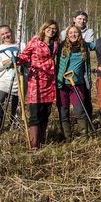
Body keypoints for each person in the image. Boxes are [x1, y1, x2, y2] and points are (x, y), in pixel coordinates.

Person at [16, 20, 60, 149]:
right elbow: (24, 56)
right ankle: (34, 144)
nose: (51, 30)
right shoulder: (35, 42)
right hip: (36, 81)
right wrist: (17, 60)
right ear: (44, 28)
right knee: (35, 113)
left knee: (45, 112)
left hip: (50, 81)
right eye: (49, 28)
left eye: (54, 29)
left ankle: (42, 140)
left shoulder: (55, 44)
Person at [55, 25, 96, 140]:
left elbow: (99, 46)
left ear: (80, 34)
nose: (73, 35)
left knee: (80, 109)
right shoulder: (61, 46)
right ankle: (67, 137)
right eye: (71, 33)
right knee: (63, 110)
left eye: (76, 32)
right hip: (62, 84)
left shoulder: (85, 46)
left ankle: (84, 135)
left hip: (78, 83)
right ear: (67, 35)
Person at [0, 25, 19, 134]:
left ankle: (14, 125)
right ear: (0, 36)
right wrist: (9, 61)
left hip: (19, 79)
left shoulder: (21, 45)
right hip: (3, 80)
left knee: (17, 106)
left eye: (7, 33)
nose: (6, 35)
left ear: (11, 32)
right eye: (2, 34)